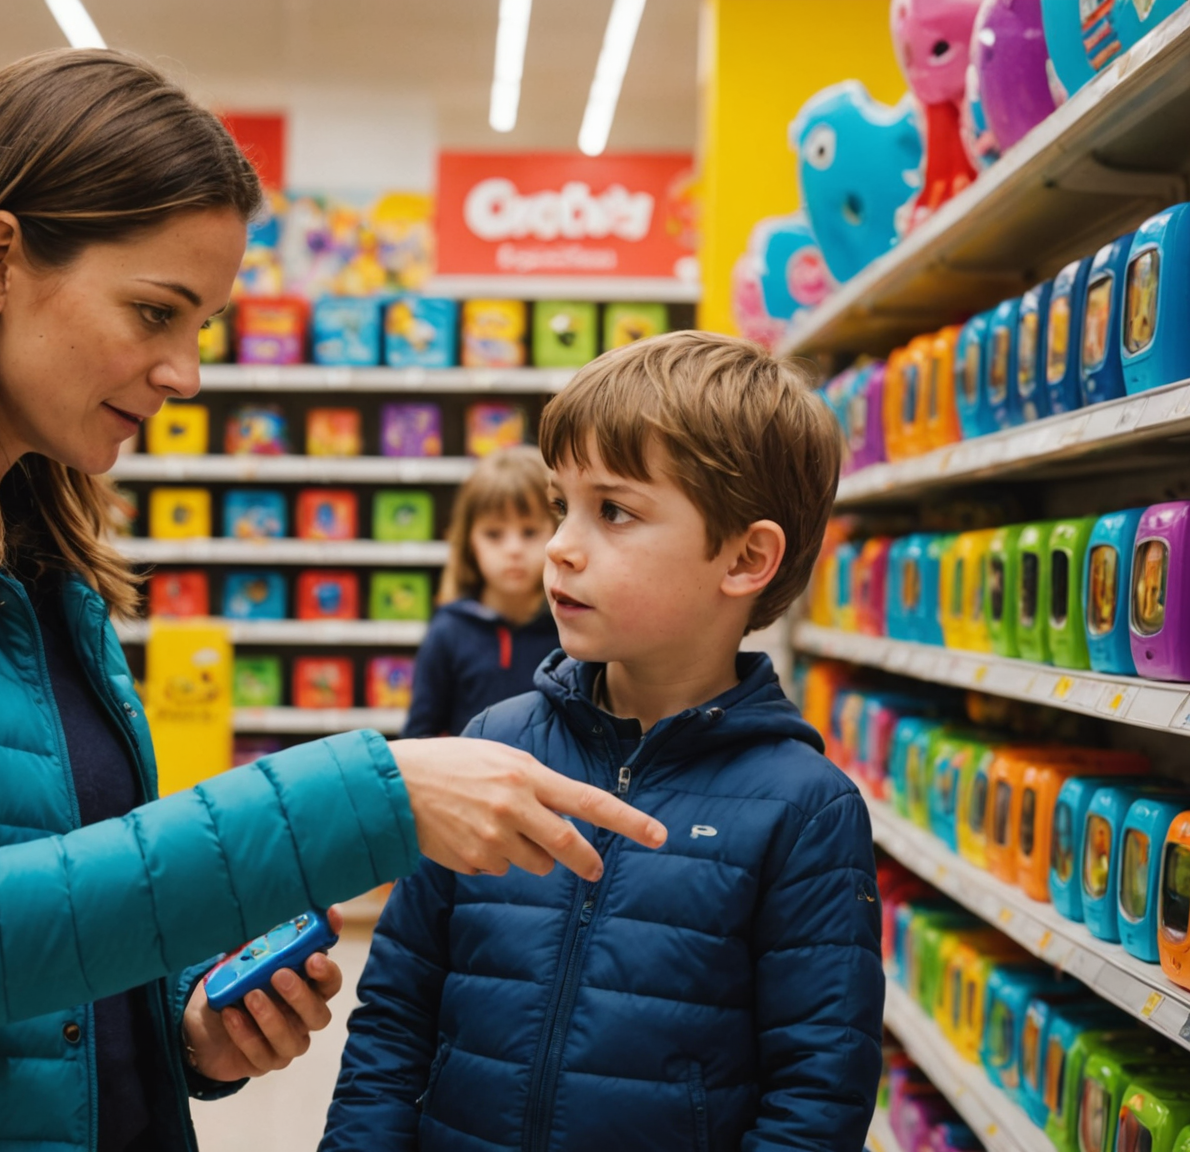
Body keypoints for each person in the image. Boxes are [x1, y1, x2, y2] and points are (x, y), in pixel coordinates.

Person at [0, 50, 665, 1152]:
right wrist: (372, 793)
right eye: (153, 312)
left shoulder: (33, 539)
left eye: (203, 327)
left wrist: (179, 1020)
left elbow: (53, 883)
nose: (186, 373)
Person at [322, 332, 884, 1152]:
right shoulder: (492, 749)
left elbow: (818, 1090)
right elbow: (397, 1013)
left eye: (613, 511)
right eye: (564, 505)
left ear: (745, 558)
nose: (559, 545)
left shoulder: (804, 808)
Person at [401, 445, 561, 738]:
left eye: (529, 532)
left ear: (558, 533)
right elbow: (418, 739)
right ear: (469, 542)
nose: (513, 549)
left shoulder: (572, 628)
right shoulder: (449, 632)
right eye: (494, 534)